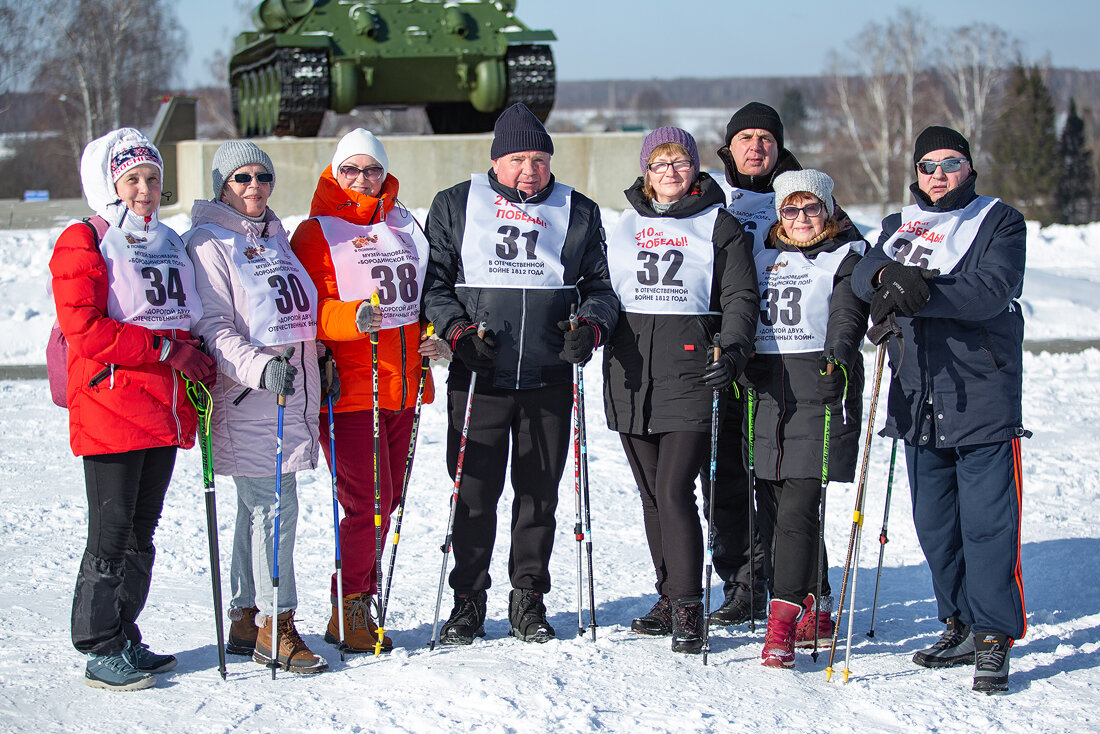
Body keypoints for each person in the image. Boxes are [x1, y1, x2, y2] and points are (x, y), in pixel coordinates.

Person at [422, 102, 619, 645]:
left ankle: (528, 597)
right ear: (496, 160)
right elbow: (433, 284)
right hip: (480, 376)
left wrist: (592, 329)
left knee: (539, 495)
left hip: (547, 379)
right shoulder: (456, 204)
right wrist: (458, 333)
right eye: (516, 158)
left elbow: (601, 289)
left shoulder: (577, 210)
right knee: (474, 492)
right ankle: (468, 600)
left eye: (538, 158)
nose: (529, 169)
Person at [851, 126, 1028, 694]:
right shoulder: (900, 223)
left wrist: (917, 291)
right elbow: (862, 272)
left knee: (986, 526)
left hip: (980, 393)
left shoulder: (999, 220)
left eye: (950, 163)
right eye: (927, 166)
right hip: (916, 395)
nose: (938, 175)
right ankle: (959, 622)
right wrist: (885, 277)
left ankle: (995, 634)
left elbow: (989, 291)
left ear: (969, 168)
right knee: (935, 527)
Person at [50, 128, 216, 690]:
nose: (144, 190)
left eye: (152, 179)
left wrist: (195, 354)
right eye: (132, 180)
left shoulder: (167, 238)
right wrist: (166, 349)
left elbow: (184, 316)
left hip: (163, 408)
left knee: (143, 531)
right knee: (112, 533)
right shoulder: (84, 240)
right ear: (111, 184)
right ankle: (98, 645)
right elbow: (85, 328)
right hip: (109, 404)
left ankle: (124, 631)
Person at [706, 102, 864, 627]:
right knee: (731, 479)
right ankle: (746, 581)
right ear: (728, 147)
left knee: (794, 483)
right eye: (745, 137)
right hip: (727, 356)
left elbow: (852, 254)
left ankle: (807, 590)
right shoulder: (711, 197)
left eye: (766, 137)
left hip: (789, 363)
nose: (757, 146)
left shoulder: (805, 195)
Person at [291, 128, 449, 653]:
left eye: (373, 170)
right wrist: (350, 318)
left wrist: (433, 335)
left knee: (390, 498)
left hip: (403, 385)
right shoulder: (315, 233)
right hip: (351, 390)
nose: (363, 179)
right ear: (335, 173)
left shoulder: (405, 224)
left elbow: (423, 296)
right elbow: (302, 309)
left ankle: (353, 602)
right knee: (369, 503)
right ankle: (351, 605)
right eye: (352, 170)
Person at [604, 127, 757, 653]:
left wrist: (734, 349)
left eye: (680, 162)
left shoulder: (720, 224)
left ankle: (690, 606)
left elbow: (739, 295)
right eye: (659, 163)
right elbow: (603, 291)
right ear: (646, 171)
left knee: (673, 490)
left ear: (694, 168)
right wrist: (586, 325)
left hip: (691, 370)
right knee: (651, 495)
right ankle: (668, 593)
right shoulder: (623, 225)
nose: (670, 173)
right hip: (629, 374)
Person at [185, 141, 329, 674]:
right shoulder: (208, 243)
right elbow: (213, 328)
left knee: (257, 508)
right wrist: (258, 368)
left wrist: (319, 357)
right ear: (221, 184)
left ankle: (247, 614)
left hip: (291, 393)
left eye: (262, 177)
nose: (254, 187)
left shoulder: (275, 235)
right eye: (241, 178)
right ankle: (278, 621)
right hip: (249, 397)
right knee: (276, 508)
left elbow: (292, 315)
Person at [740, 170, 867, 668]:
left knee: (797, 509)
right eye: (789, 210)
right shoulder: (759, 255)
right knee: (776, 507)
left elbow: (847, 314)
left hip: (817, 387)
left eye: (810, 208)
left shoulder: (845, 255)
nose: (799, 219)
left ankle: (782, 621)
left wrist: (839, 355)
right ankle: (814, 601)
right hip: (766, 390)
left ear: (828, 208)